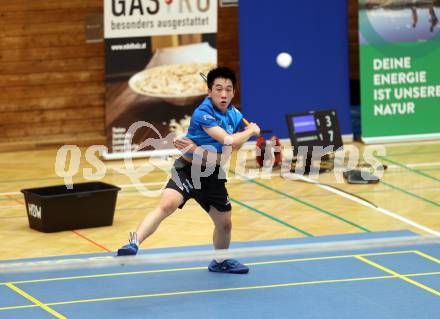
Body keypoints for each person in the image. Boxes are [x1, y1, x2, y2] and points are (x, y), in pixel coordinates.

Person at [116, 66, 260, 274]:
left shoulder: (233, 115)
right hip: (187, 170)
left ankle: (220, 261)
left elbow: (228, 151)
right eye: (218, 89)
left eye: (228, 89)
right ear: (209, 92)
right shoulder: (202, 113)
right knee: (167, 205)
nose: (223, 94)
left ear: (233, 92)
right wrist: (251, 131)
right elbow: (228, 139)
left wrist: (204, 148)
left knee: (225, 225)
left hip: (212, 176)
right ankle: (133, 242)